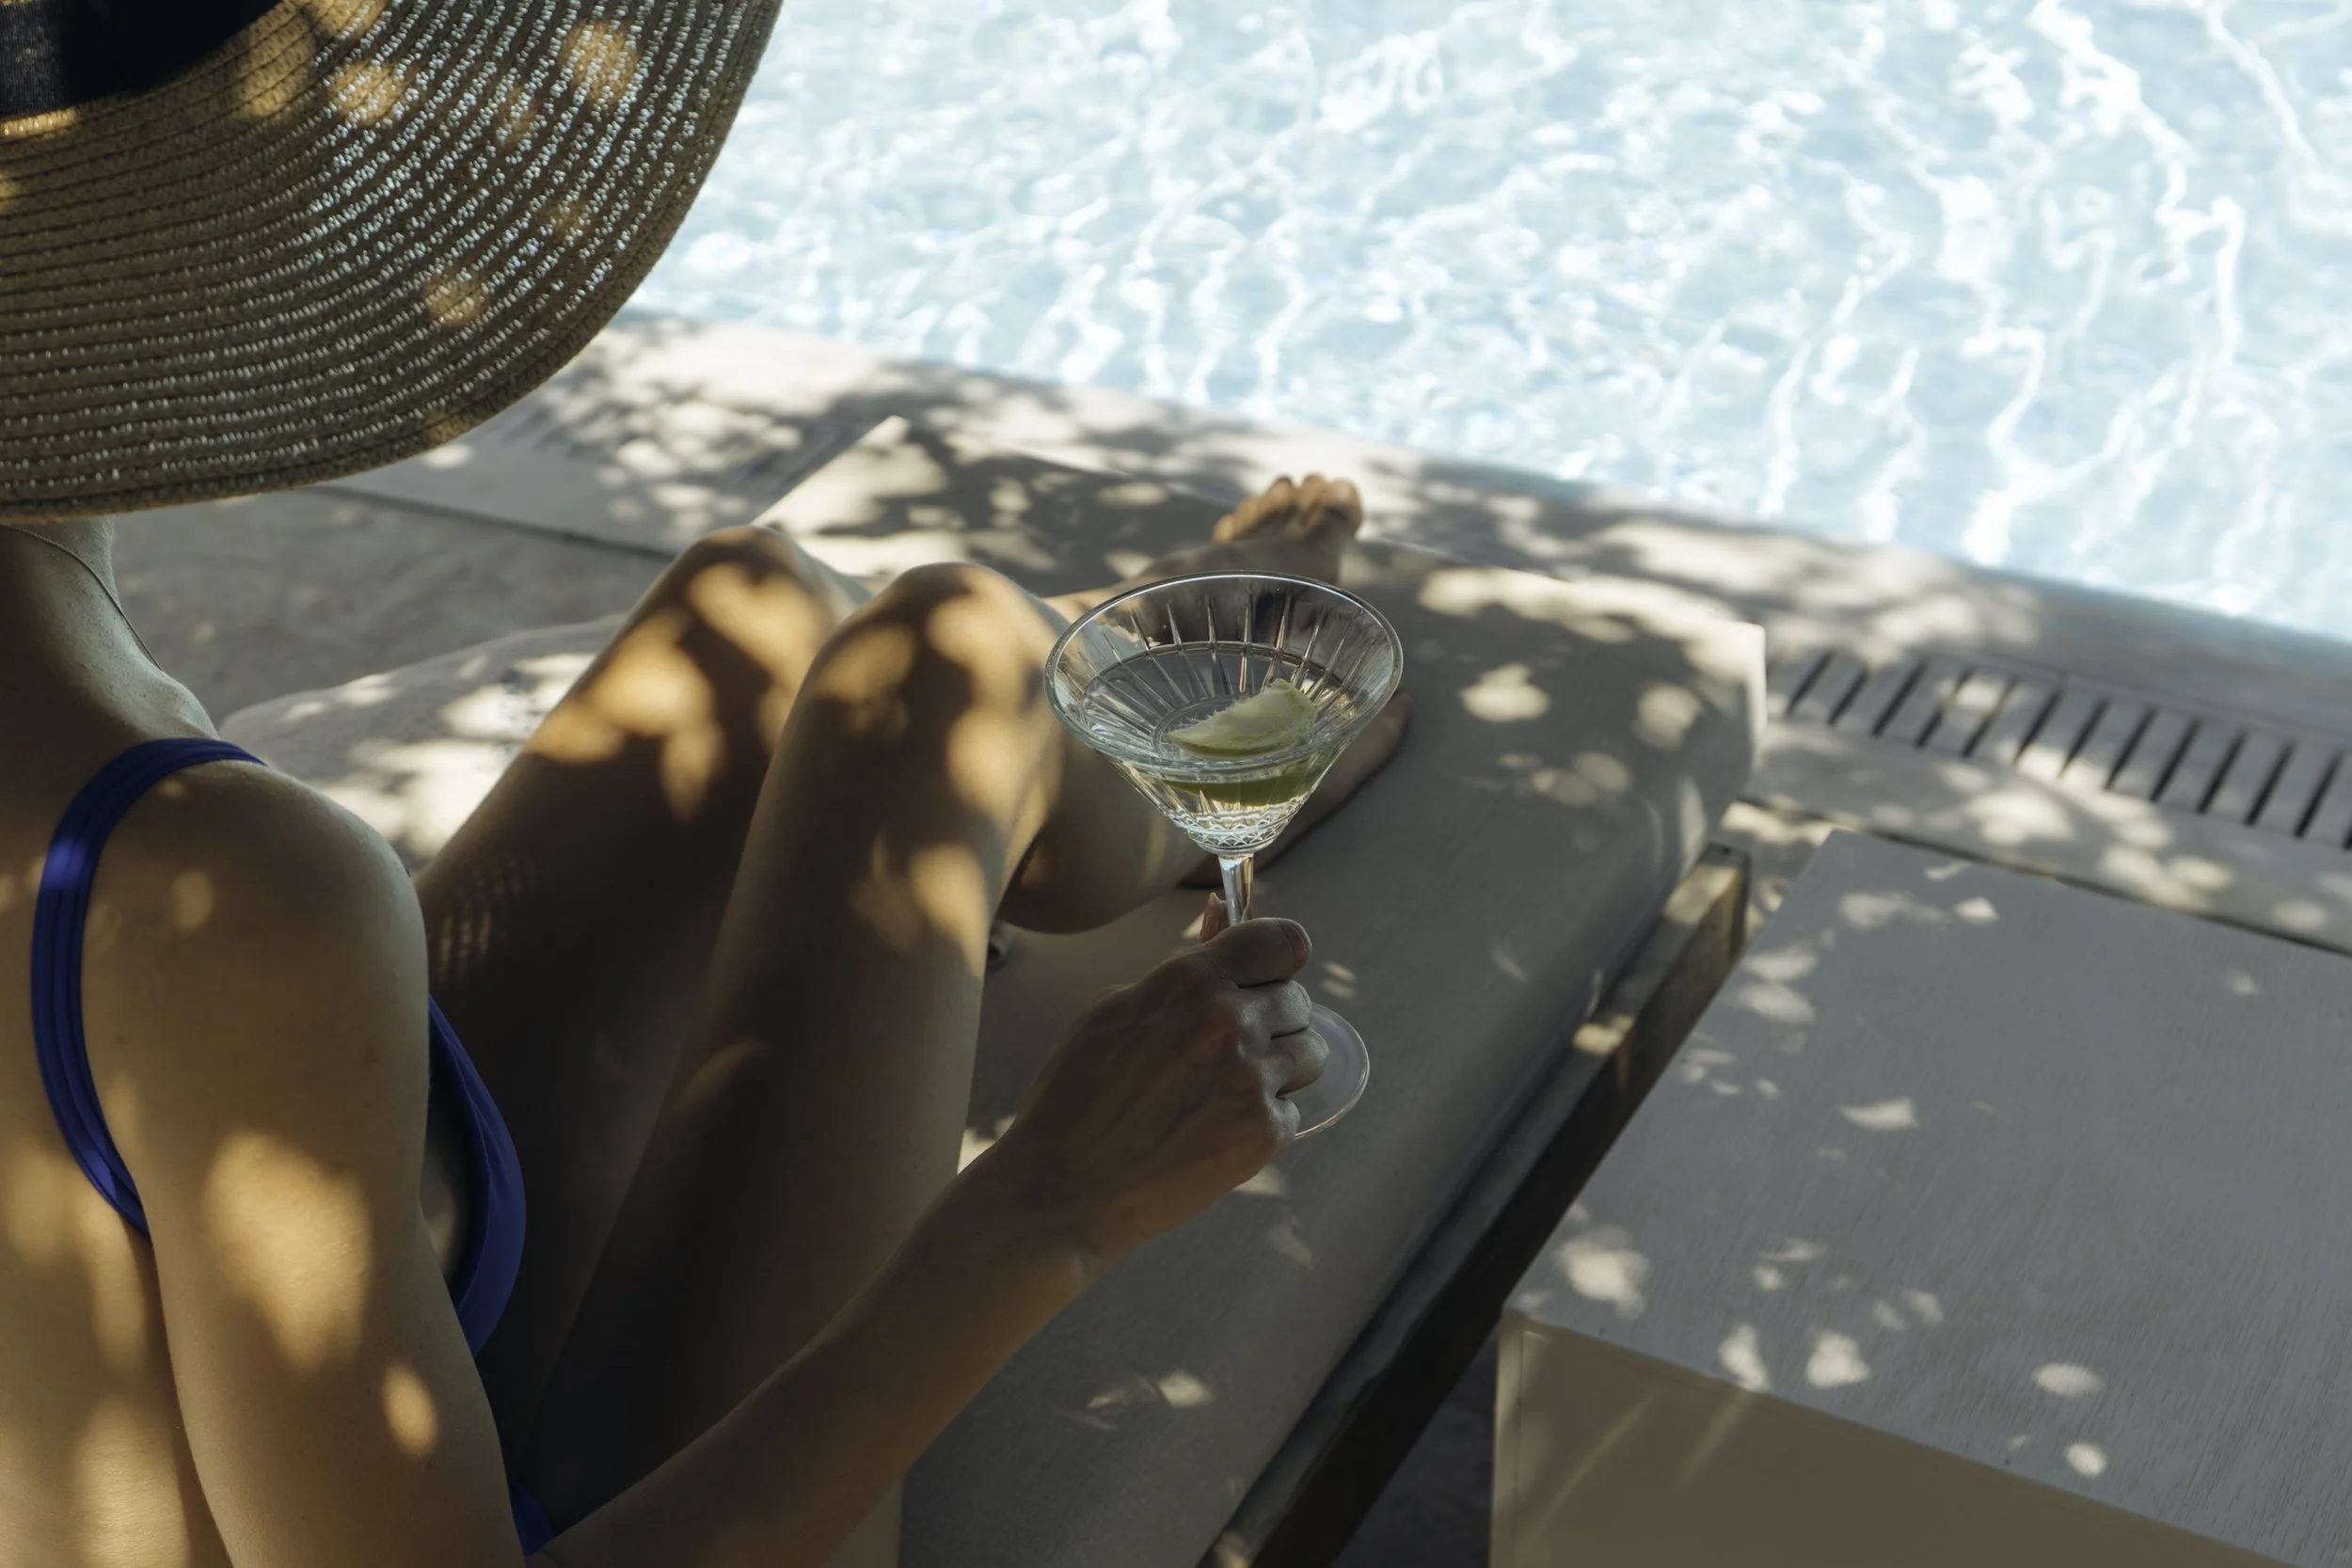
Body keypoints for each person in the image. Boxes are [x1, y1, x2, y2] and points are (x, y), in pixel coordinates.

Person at [0, 3, 1406, 1567]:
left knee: (752, 612)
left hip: (290, 1432)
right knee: (942, 668)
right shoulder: (215, 892)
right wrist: (1047, 1210)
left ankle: (1104, 732)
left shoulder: (138, 844)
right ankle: (1212, 740)